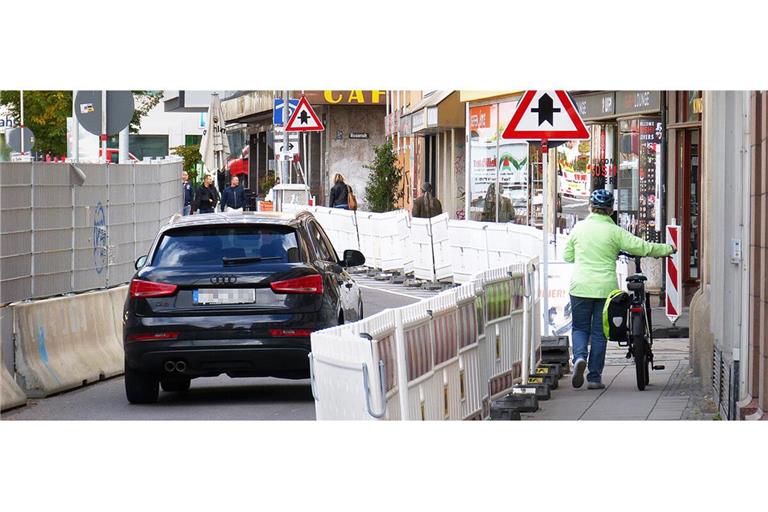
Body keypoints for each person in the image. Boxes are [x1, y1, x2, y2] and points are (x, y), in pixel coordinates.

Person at [564, 189, 675, 390]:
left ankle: (579, 357)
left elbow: (568, 256)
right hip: (605, 290)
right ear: (611, 210)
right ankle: (594, 378)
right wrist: (667, 249)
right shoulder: (615, 232)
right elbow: (642, 247)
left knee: (580, 328)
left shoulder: (578, 229)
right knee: (599, 333)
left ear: (590, 207)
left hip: (580, 286)